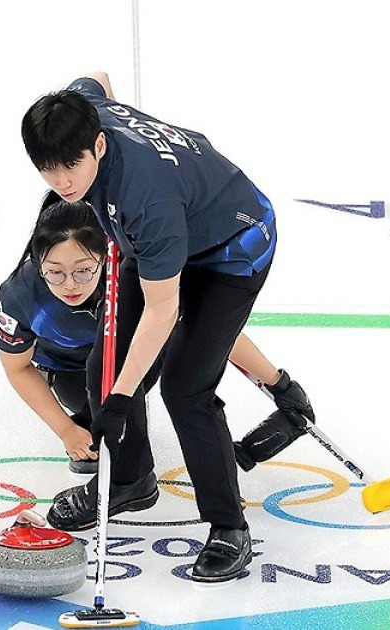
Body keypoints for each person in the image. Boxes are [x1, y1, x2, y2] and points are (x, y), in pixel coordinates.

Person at [21, 71, 301, 582]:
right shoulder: (81, 112)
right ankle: (129, 481)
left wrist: (121, 401)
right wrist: (115, 391)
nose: (61, 183)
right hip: (163, 238)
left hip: (232, 249)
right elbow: (96, 79)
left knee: (185, 386)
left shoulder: (144, 198)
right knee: (104, 364)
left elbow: (162, 311)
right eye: (47, 169)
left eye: (70, 166)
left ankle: (228, 528)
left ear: (99, 145)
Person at [0, 195, 317, 481]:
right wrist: (66, 430)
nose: (70, 285)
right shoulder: (19, 297)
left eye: (83, 270)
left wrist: (280, 385)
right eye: (55, 272)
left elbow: (212, 330)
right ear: (38, 264)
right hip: (73, 370)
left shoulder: (136, 275)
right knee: (89, 402)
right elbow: (18, 368)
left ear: (105, 258)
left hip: (136, 351)